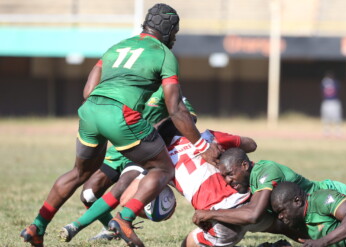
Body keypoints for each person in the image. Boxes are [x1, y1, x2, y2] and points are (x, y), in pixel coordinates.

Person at [20, 3, 220, 247]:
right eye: (175, 33)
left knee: (79, 173)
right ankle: (124, 219)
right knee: (163, 168)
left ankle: (37, 226)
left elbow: (88, 91)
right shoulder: (165, 54)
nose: (175, 39)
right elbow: (176, 109)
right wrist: (201, 145)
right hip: (120, 115)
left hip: (90, 110)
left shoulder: (117, 46)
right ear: (168, 31)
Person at [61, 118, 258, 246]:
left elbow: (126, 198)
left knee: (187, 242)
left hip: (220, 221)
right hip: (252, 203)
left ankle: (90, 224)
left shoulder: (160, 160)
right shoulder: (207, 138)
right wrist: (222, 151)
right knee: (273, 223)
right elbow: (251, 144)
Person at [59, 87, 197, 242]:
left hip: (147, 147)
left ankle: (76, 226)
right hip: (120, 149)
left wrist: (158, 132)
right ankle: (111, 230)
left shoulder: (166, 88)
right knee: (88, 194)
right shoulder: (123, 86)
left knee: (122, 187)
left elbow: (188, 117)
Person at [192, 148, 346, 243]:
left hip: (332, 199)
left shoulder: (265, 170)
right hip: (316, 218)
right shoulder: (250, 183)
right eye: (224, 176)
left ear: (244, 165)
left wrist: (210, 214)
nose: (227, 180)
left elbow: (253, 215)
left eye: (230, 174)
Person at [320, 71, 342, 137]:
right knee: (325, 117)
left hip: (334, 101)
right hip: (326, 101)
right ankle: (326, 131)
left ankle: (337, 131)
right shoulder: (324, 83)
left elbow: (338, 89)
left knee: (336, 117)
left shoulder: (335, 83)